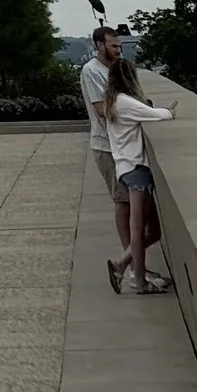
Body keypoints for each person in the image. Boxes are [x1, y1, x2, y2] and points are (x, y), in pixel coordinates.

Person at [101, 79, 176, 295]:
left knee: (153, 232)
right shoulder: (123, 102)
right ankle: (140, 282)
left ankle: (121, 265)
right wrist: (168, 110)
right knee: (139, 229)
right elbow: (160, 115)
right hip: (136, 171)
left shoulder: (113, 102)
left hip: (125, 170)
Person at [80, 25, 127, 251]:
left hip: (123, 145)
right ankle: (131, 265)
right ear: (99, 45)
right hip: (107, 147)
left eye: (120, 46)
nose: (118, 50)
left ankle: (132, 262)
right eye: (113, 46)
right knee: (123, 202)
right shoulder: (91, 71)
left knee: (134, 205)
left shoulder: (117, 68)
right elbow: (102, 109)